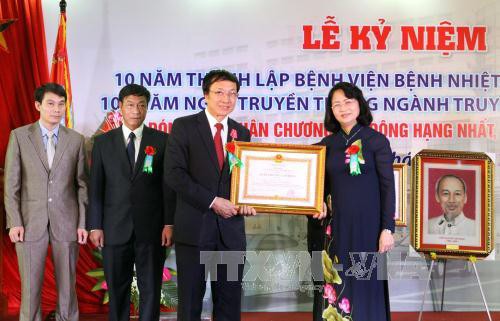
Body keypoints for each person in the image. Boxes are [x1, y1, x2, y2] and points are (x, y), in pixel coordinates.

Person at [165, 69, 256, 321]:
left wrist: (247, 201)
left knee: (229, 302)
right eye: (219, 92)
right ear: (205, 95)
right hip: (195, 229)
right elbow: (174, 174)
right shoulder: (183, 126)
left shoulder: (242, 133)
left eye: (232, 94)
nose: (226, 99)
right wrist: (213, 202)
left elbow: (243, 180)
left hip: (230, 232)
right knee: (191, 301)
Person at [87, 84, 176, 321]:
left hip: (152, 229)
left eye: (141, 105)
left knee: (151, 288)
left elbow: (168, 187)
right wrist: (95, 225)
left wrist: (169, 223)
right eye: (130, 105)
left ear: (147, 108)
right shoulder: (103, 143)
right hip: (114, 229)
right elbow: (96, 188)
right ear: (120, 107)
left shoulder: (162, 141)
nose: (136, 110)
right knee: (117, 289)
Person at [311, 82, 395, 321]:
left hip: (368, 231)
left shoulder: (377, 141)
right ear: (330, 110)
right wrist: (317, 202)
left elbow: (388, 187)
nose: (342, 108)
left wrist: (387, 228)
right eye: (336, 104)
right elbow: (314, 185)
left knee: (365, 288)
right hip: (333, 231)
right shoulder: (324, 147)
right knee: (333, 286)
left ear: (359, 104)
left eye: (348, 102)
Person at [4, 83, 88, 321]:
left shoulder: (76, 140)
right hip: (30, 222)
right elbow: (12, 185)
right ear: (38, 106)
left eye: (62, 104)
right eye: (51, 104)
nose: (57, 109)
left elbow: (82, 185)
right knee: (30, 288)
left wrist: (82, 224)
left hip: (67, 222)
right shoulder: (19, 136)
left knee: (67, 288)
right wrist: (15, 222)